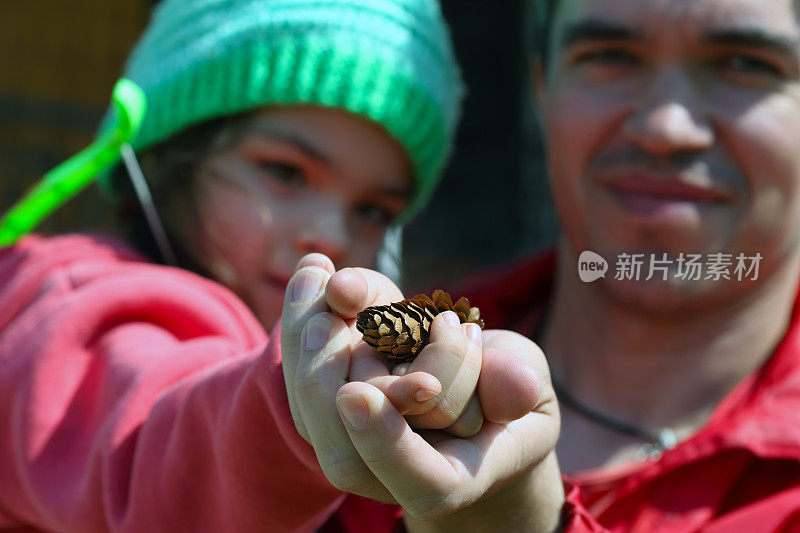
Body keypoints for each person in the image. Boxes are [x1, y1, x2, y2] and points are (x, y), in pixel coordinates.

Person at [0, 0, 532, 531]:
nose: (330, 234)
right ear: (175, 152)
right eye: (286, 171)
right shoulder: (74, 312)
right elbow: (148, 447)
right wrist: (294, 400)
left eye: (373, 210)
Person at [278, 0, 800, 530]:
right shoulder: (345, 380)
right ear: (539, 89)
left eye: (746, 63)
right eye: (610, 55)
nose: (665, 128)